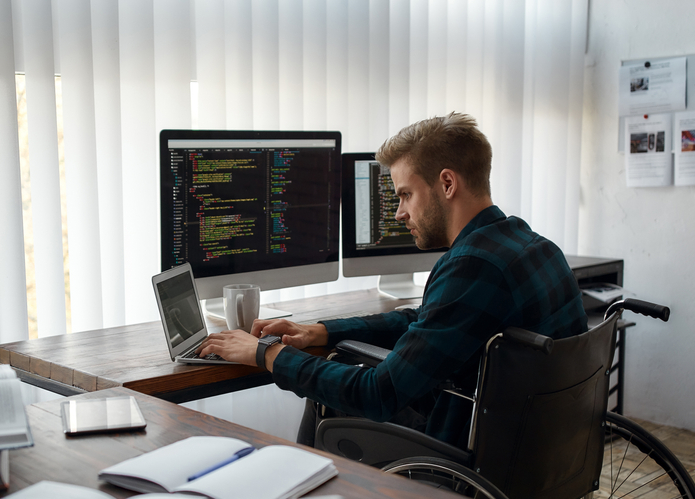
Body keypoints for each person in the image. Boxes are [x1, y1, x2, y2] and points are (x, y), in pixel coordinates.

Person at [198, 113, 588, 449]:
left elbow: (378, 394)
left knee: (335, 395)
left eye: (405, 194)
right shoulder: (531, 244)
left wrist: (266, 354)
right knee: (342, 355)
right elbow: (424, 321)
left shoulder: (474, 265)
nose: (400, 212)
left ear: (447, 184)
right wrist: (319, 331)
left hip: (470, 456)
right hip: (539, 453)